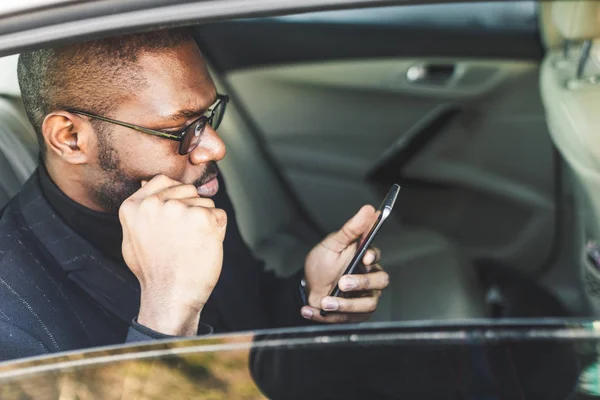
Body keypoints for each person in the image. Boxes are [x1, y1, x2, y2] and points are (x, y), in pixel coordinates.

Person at [0, 28, 389, 361]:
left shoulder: (192, 189)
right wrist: (167, 313)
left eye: (207, 117)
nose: (215, 147)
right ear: (69, 139)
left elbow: (243, 312)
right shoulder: (12, 303)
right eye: (181, 130)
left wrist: (309, 294)